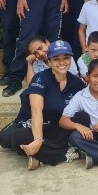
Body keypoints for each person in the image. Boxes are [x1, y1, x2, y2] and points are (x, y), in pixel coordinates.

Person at [9, 41, 88, 170]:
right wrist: (38, 139)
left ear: (70, 60)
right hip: (42, 127)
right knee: (18, 137)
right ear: (49, 62)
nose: (62, 62)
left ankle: (41, 156)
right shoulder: (40, 79)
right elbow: (36, 110)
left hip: (62, 128)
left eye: (66, 58)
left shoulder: (77, 83)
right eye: (56, 59)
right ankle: (66, 154)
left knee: (83, 117)